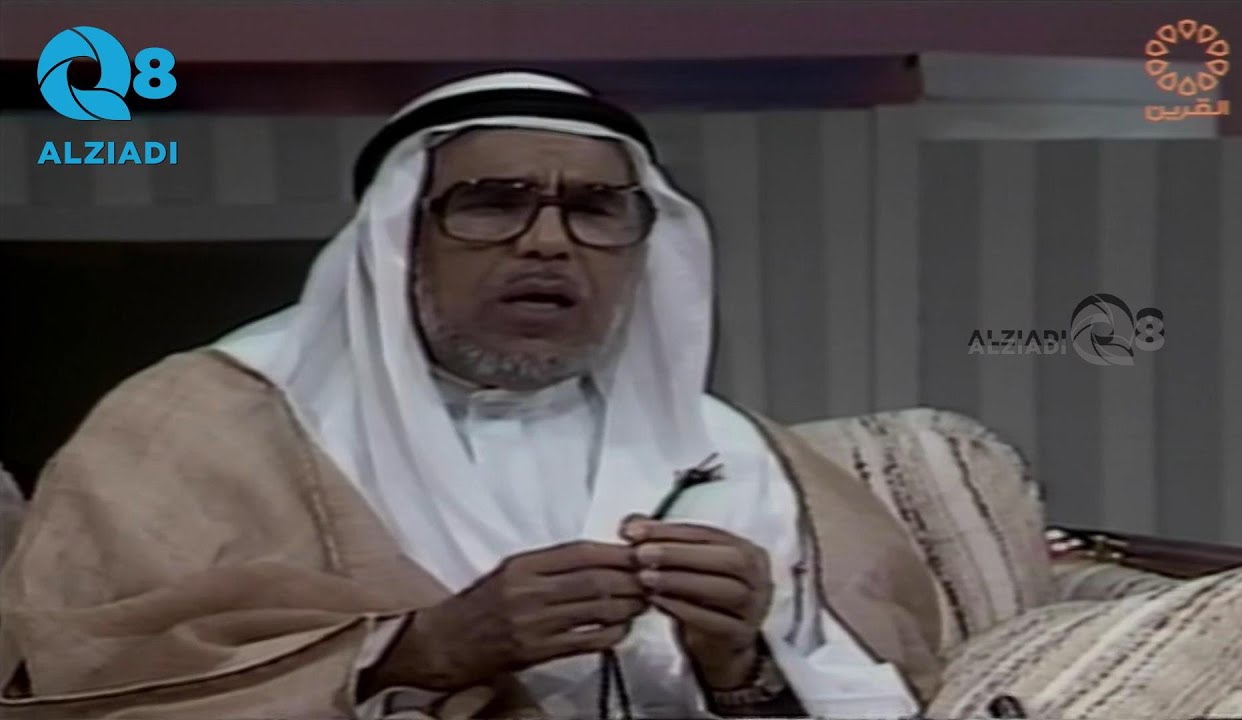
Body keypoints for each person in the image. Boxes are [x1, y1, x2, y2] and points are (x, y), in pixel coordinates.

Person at [0, 71, 942, 720]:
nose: (548, 242)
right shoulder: (198, 428)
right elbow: (77, 683)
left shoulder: (734, 459)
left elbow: (881, 691)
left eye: (594, 210)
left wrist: (738, 667)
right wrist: (422, 650)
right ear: (397, 242)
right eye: (494, 201)